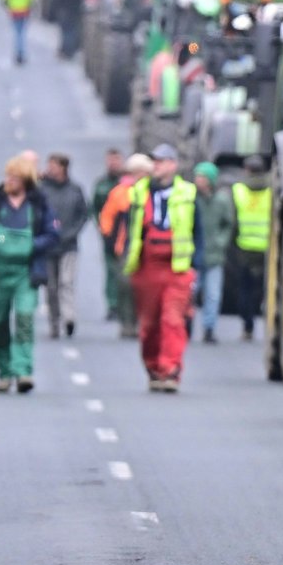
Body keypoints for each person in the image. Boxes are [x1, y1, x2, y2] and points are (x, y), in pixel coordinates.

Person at [0, 154, 57, 392]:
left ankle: (23, 370)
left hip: (26, 273)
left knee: (25, 317)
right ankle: (5, 372)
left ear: (25, 180)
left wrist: (32, 245)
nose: (9, 180)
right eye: (8, 175)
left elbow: (51, 233)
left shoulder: (38, 204)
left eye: (15, 177)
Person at [125, 144, 201, 392]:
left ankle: (170, 369)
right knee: (149, 324)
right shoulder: (138, 193)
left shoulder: (188, 193)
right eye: (154, 162)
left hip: (177, 268)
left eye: (161, 161)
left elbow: (198, 231)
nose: (156, 166)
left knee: (172, 319)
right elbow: (128, 228)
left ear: (173, 165)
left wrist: (196, 266)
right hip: (146, 266)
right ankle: (154, 367)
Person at [99, 153, 153, 338]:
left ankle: (141, 322)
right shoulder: (120, 192)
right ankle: (127, 322)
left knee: (144, 288)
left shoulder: (151, 193)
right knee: (125, 285)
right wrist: (109, 239)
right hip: (126, 247)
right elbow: (107, 216)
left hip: (148, 248)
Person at [39, 153, 90, 338]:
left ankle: (69, 318)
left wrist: (72, 233)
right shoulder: (42, 189)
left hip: (69, 245)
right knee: (50, 286)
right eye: (49, 165)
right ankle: (54, 322)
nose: (50, 169)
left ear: (63, 167)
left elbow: (83, 214)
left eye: (54, 165)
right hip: (47, 245)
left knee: (66, 282)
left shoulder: (75, 189)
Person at [228, 156, 272, 341]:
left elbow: (233, 221)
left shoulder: (238, 190)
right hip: (266, 250)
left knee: (244, 289)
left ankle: (248, 326)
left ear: (246, 169)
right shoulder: (271, 190)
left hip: (244, 249)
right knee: (264, 289)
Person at [192, 162, 234, 343]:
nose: (198, 180)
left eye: (202, 177)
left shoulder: (222, 200)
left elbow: (228, 224)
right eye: (197, 176)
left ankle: (209, 328)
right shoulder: (192, 199)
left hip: (214, 255)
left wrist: (221, 242)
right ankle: (186, 325)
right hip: (194, 256)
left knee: (213, 295)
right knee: (190, 293)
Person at [90, 149, 127, 322]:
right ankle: (112, 304)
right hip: (109, 234)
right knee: (111, 271)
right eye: (110, 160)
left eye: (116, 160)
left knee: (125, 272)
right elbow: (95, 208)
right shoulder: (101, 184)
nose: (113, 164)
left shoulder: (127, 183)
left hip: (126, 234)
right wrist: (101, 227)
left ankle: (124, 305)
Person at [0, 0, 37, 64]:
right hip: (25, 11)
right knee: (22, 33)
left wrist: (7, 7)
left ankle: (18, 53)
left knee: (17, 33)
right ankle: (21, 53)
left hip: (14, 12)